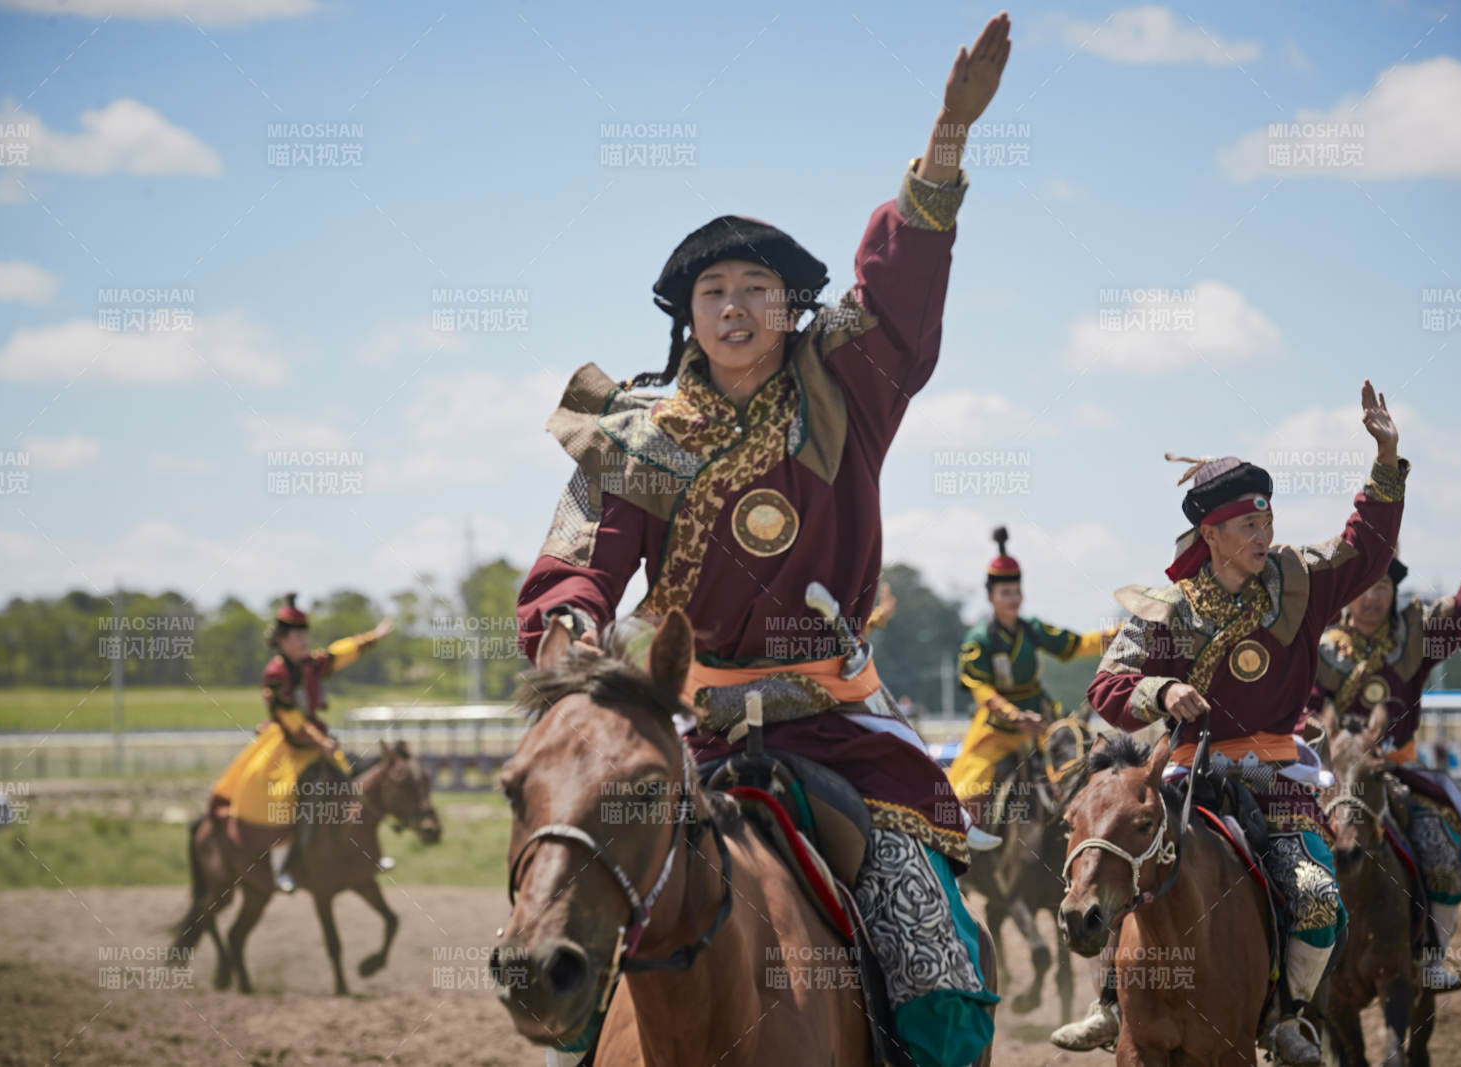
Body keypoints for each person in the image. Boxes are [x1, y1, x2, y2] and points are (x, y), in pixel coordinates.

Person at [515, 15, 1013, 1065]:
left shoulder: (844, 389)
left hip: (838, 732)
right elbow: (581, 561)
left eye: (756, 290)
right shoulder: (638, 433)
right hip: (690, 737)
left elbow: (899, 292)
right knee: (570, 942)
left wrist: (948, 139)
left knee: (934, 964)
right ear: (687, 316)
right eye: (713, 291)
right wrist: (569, 622)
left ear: (792, 309)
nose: (734, 307)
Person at [1052, 381, 1406, 1066]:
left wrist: (1386, 461)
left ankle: (1288, 1015)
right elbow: (1106, 685)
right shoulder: (1168, 608)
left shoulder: (1301, 581)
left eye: (1266, 523)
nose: (1263, 536)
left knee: (1316, 894)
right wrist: (1162, 689)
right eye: (1248, 526)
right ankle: (1111, 1001)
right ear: (1210, 534)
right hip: (1187, 778)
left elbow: (1366, 546)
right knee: (1118, 861)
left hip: (1277, 778)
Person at [1308, 490, 1461, 990]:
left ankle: (1431, 955)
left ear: (1394, 592)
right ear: (1348, 592)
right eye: (1364, 587)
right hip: (1329, 780)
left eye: (1383, 587)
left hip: (1398, 771)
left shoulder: (1415, 636)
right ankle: (1285, 972)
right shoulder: (1317, 645)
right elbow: (1303, 710)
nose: (1373, 597)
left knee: (1441, 850)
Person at [208, 593, 393, 892]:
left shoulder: (311, 664)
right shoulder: (276, 673)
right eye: (297, 636)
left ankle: (362, 855)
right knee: (285, 800)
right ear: (281, 641)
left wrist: (373, 637)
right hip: (288, 745)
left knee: (349, 791)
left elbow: (337, 654)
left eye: (305, 635)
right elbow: (290, 716)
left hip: (317, 743)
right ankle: (282, 866)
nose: (304, 640)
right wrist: (320, 741)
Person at [948, 525, 1117, 828]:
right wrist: (1014, 715)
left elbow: (1077, 644)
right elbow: (981, 689)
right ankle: (967, 843)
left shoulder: (1033, 629)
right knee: (967, 787)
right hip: (997, 727)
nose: (1013, 598)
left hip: (1042, 718)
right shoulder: (979, 639)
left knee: (1079, 761)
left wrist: (1118, 635)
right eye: (1005, 593)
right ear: (990, 596)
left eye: (1016, 592)